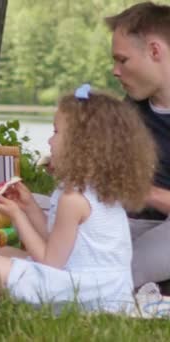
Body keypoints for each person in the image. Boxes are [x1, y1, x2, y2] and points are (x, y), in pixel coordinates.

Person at [0, 85, 157, 312]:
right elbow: (56, 242)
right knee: (4, 254)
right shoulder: (92, 189)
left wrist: (16, 215)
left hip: (89, 296)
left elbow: (50, 262)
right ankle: (26, 303)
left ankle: (39, 308)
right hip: (105, 289)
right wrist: (29, 205)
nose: (49, 141)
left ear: (80, 145)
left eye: (56, 132)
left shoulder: (74, 199)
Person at [104, 1, 170, 290]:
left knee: (139, 260)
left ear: (155, 51)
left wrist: (145, 193)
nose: (115, 71)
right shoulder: (132, 107)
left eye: (123, 60)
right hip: (137, 222)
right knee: (47, 209)